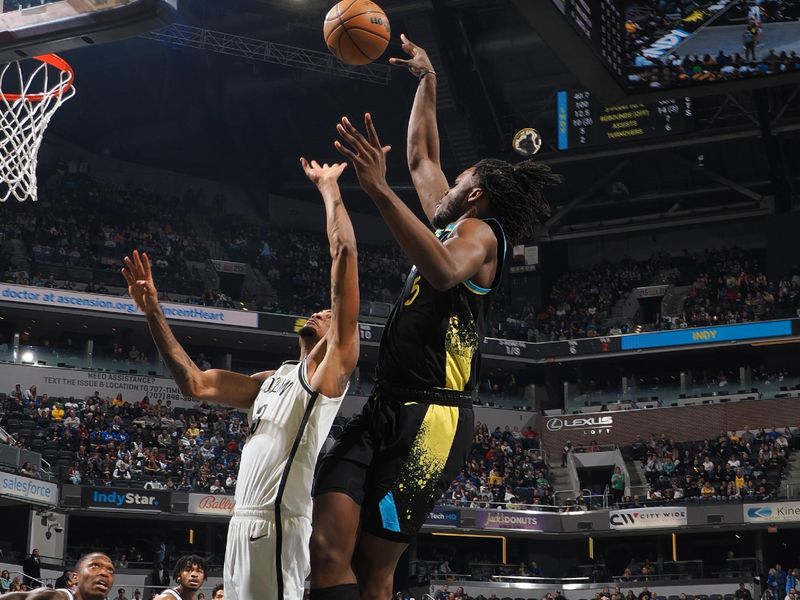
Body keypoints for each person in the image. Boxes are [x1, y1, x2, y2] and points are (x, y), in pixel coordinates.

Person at [311, 34, 560, 600]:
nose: (447, 184)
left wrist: (376, 189)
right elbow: (422, 158)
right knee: (327, 545)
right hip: (384, 405)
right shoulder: (452, 222)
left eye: (462, 180)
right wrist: (428, 81)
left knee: (376, 570)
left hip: (433, 422)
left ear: (476, 197)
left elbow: (445, 271)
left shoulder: (482, 235)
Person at [122, 158, 360, 600]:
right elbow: (193, 383)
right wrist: (153, 312)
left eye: (329, 314)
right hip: (242, 521)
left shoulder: (327, 376)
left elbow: (344, 256)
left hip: (277, 522)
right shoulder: (268, 380)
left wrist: (329, 189)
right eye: (319, 310)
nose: (320, 312)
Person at [0, 552, 115, 600]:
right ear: (75, 578)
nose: (104, 573)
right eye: (94, 566)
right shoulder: (55, 597)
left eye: (110, 570)